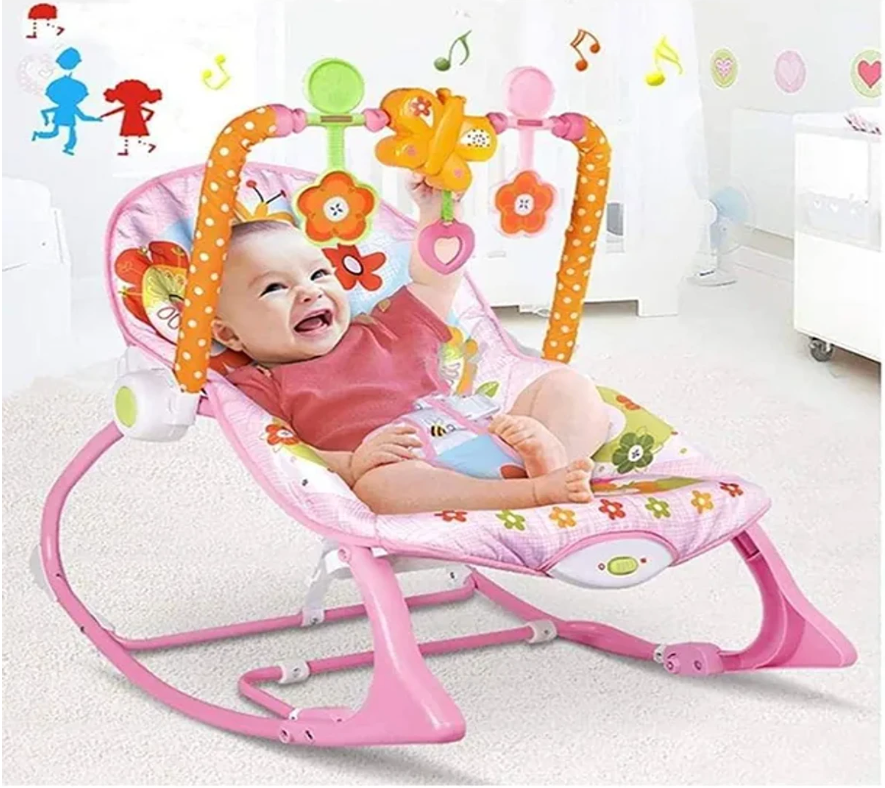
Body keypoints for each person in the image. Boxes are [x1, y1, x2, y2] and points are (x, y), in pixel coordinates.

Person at [218, 175, 610, 514]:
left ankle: (553, 459)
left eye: (319, 274)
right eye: (274, 287)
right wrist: (353, 464)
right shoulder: (259, 385)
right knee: (378, 489)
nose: (309, 292)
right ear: (230, 336)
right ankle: (534, 493)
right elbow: (281, 453)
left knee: (567, 386)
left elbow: (435, 279)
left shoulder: (386, 327)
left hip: (488, 435)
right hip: (408, 468)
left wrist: (437, 212)